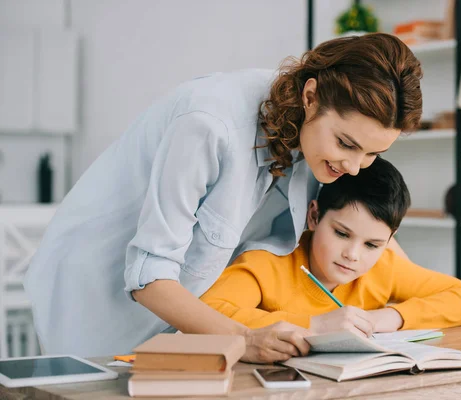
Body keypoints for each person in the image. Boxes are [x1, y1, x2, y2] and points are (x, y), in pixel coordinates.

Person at [24, 33, 423, 361]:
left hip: (191, 319)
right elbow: (148, 275)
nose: (355, 167)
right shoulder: (209, 123)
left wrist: (402, 281)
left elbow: (373, 228)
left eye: (372, 153)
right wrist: (247, 339)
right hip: (95, 297)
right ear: (311, 96)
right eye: (347, 144)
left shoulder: (319, 142)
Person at [200, 157, 461, 335]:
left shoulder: (383, 266)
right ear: (314, 216)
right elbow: (207, 313)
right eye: (342, 234)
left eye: (372, 244)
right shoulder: (266, 263)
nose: (353, 255)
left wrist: (385, 319)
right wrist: (316, 325)